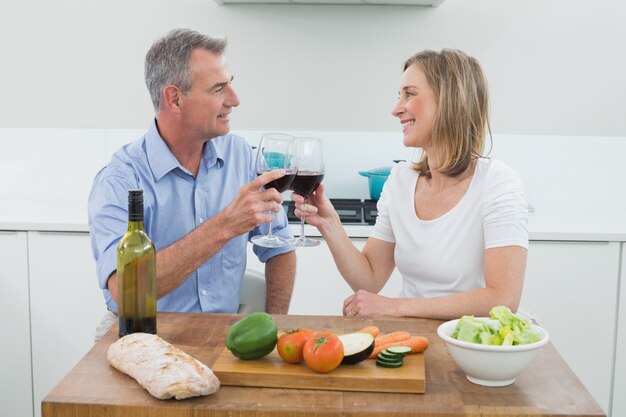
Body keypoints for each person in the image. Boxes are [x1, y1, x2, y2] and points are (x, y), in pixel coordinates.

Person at [88, 28, 296, 338]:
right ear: (174, 98)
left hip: (224, 337)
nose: (234, 100)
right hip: (143, 340)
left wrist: (274, 326)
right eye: (218, 89)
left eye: (231, 84)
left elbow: (280, 246)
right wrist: (224, 226)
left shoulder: (241, 156)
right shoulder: (121, 180)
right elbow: (127, 294)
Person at [292, 49, 528, 320]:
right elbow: (369, 280)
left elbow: (503, 299)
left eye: (410, 94)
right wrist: (330, 224)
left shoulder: (498, 183)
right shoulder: (401, 180)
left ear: (450, 100)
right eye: (399, 96)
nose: (396, 109)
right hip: (412, 339)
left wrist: (394, 307)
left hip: (473, 346)